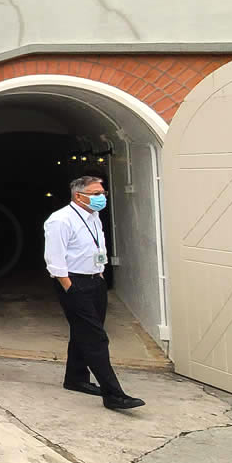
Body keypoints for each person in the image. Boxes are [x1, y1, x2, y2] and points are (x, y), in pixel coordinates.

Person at [43, 176, 145, 411]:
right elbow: (54, 258)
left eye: (103, 193)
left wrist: (99, 275)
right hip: (74, 283)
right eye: (96, 193)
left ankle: (76, 378)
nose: (101, 197)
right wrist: (69, 286)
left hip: (95, 281)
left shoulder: (93, 217)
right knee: (96, 338)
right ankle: (113, 394)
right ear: (79, 196)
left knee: (83, 332)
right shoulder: (60, 220)